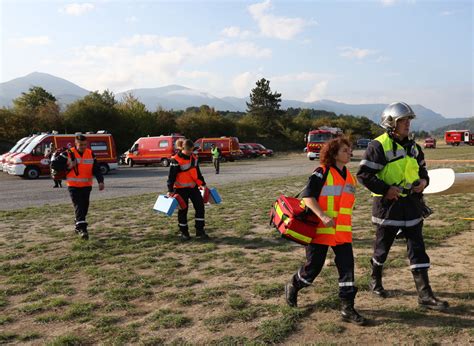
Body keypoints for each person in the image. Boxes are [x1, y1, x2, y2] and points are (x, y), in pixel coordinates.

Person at [357, 102, 448, 310]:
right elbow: (364, 175)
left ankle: (425, 295)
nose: (407, 124)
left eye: (408, 120)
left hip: (412, 205)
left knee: (417, 248)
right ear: (391, 123)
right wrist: (386, 189)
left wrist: (424, 182)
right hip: (388, 206)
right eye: (403, 121)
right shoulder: (378, 146)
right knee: (382, 249)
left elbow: (423, 172)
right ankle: (375, 279)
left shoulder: (414, 147)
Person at [285, 137, 367, 326]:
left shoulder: (350, 177)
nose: (350, 153)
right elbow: (307, 197)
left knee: (347, 269)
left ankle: (347, 308)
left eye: (350, 150)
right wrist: (322, 216)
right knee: (313, 269)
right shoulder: (321, 172)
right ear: (334, 153)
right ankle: (294, 284)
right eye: (345, 150)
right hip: (320, 231)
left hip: (342, 233)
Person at [167, 139, 209, 241]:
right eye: (189, 150)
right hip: (180, 190)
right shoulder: (175, 160)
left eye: (192, 150)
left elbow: (198, 173)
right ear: (183, 149)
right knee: (183, 211)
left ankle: (200, 231)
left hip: (193, 188)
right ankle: (184, 233)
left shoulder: (194, 158)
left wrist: (203, 184)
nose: (191, 152)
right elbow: (171, 177)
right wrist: (170, 190)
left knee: (200, 207)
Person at [66, 134, 105, 240]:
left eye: (84, 144)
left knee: (84, 207)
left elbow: (96, 169)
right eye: (80, 145)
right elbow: (58, 167)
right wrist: (69, 166)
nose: (83, 146)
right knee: (78, 205)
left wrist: (100, 181)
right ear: (75, 143)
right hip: (73, 186)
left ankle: (77, 223)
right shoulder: (69, 153)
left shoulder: (90, 153)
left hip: (86, 186)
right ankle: (83, 230)